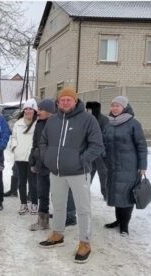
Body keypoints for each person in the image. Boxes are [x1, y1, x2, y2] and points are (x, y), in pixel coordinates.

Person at [38, 87, 104, 264]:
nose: (65, 102)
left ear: (75, 101)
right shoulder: (53, 121)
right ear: (58, 103)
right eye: (62, 100)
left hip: (78, 172)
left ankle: (85, 242)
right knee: (58, 205)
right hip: (57, 172)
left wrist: (81, 160)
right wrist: (47, 158)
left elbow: (97, 145)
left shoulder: (88, 120)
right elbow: (43, 141)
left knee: (83, 209)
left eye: (69, 99)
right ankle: (58, 234)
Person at [103, 96, 148, 236]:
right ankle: (118, 220)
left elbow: (142, 145)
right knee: (117, 195)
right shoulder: (108, 124)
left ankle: (124, 225)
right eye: (113, 105)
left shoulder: (134, 124)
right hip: (113, 166)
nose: (115, 108)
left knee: (127, 196)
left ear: (125, 107)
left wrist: (142, 165)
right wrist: (104, 157)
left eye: (118, 106)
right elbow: (103, 143)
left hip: (130, 166)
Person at [29, 99, 55, 230]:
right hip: (41, 165)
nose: (38, 112)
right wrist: (32, 160)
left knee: (57, 195)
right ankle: (43, 222)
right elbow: (34, 144)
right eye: (38, 109)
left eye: (41, 110)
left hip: (54, 166)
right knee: (42, 193)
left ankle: (61, 222)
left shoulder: (58, 124)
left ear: (50, 111)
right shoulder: (38, 124)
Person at [10, 98, 38, 215]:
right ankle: (23, 204)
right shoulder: (18, 123)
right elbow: (14, 137)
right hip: (20, 156)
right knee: (22, 181)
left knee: (33, 182)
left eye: (30, 109)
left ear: (35, 110)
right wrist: (14, 147)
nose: (28, 111)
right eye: (26, 109)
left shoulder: (38, 123)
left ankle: (34, 204)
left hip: (33, 157)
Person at [86, 101, 109, 200]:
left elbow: (106, 135)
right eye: (87, 109)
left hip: (100, 153)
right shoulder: (86, 119)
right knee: (88, 174)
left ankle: (106, 194)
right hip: (90, 152)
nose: (88, 111)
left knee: (103, 174)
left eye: (90, 109)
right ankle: (84, 192)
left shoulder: (104, 119)